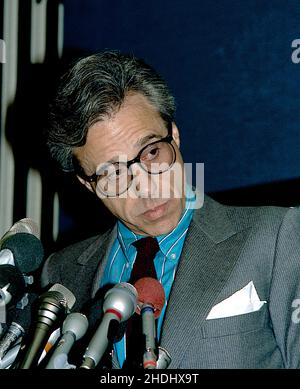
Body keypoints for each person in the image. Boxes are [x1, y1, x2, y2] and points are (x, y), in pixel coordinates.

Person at [42, 50, 300, 369]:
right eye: (114, 173)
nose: (147, 188)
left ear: (174, 136)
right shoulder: (61, 273)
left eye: (151, 152)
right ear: (88, 184)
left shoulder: (277, 237)